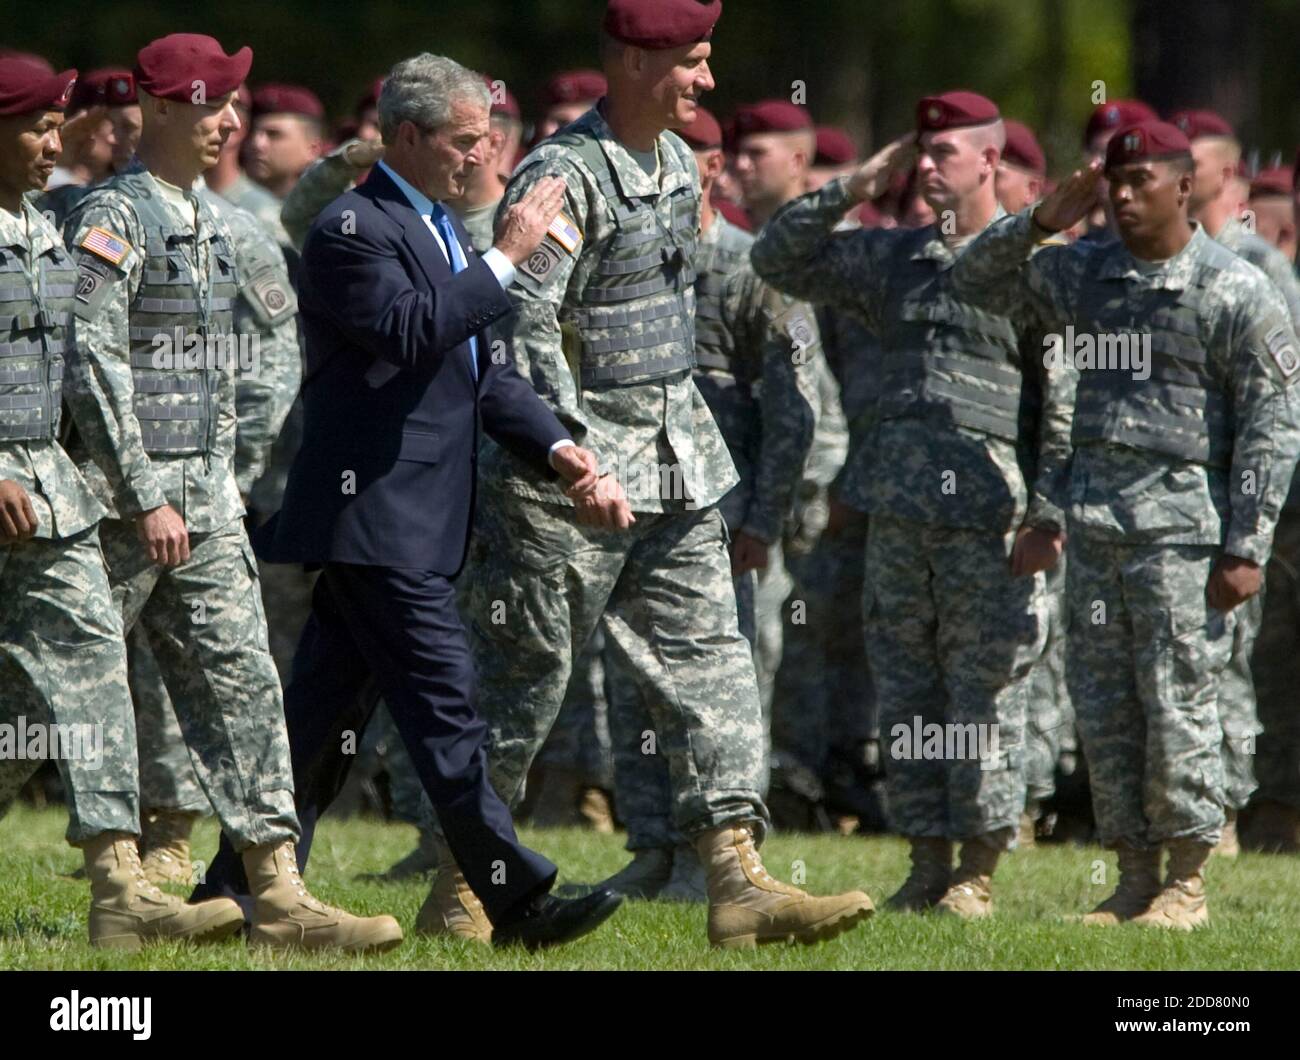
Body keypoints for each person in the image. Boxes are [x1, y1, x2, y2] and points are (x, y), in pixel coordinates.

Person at [424, 0, 874, 950]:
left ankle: (736, 878)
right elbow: (520, 327)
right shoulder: (563, 174)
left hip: (678, 469)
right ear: (632, 60)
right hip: (568, 483)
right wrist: (573, 453)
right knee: (525, 686)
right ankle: (468, 881)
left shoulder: (674, 165)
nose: (708, 81)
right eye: (693, 62)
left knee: (712, 664)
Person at [190, 52, 624, 950]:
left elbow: (482, 370)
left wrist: (557, 446)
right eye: (468, 140)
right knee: (448, 713)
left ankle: (231, 891)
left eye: (489, 136)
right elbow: (409, 329)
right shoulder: (354, 228)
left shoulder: (440, 229)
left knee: (316, 727)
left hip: (407, 525)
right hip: (377, 520)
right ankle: (519, 902)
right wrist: (508, 254)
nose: (484, 153)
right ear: (412, 137)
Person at [62, 32, 400, 952]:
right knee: (58, 694)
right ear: (155, 110)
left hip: (203, 505)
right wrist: (141, 490)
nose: (226, 122)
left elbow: (274, 352)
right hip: (111, 504)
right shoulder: (108, 219)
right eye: (207, 104)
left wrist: (228, 475)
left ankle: (278, 892)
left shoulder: (234, 227)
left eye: (233, 103)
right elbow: (87, 360)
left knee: (243, 682)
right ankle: (117, 885)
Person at [953, 120, 1300, 927]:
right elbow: (971, 282)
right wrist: (1040, 221)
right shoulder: (1083, 275)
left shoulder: (1233, 290)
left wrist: (1246, 544)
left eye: (1142, 180)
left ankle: (1186, 881)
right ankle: (1134, 876)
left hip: (1186, 541)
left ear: (1185, 187)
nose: (1122, 194)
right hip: (1098, 534)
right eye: (1114, 181)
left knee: (1178, 704)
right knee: (1108, 711)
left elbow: (1272, 426)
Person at [753, 91, 1056, 918]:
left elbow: (1061, 397)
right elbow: (777, 258)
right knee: (909, 694)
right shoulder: (893, 259)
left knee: (984, 693)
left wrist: (1049, 514)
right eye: (919, 153)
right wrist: (852, 185)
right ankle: (926, 859)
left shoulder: (1031, 263)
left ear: (991, 161)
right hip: (896, 514)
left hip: (989, 523)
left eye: (945, 152)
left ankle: (979, 871)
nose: (926, 166)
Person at [0, 55, 246, 950]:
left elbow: (69, 367)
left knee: (86, 680)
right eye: (35, 126)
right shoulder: (74, 222)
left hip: (50, 502)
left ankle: (118, 888)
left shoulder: (34, 229)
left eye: (57, 124)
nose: (55, 144)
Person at [597, 103, 818, 898]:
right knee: (633, 683)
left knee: (719, 689)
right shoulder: (621, 255)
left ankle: (721, 855)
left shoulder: (751, 269)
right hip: (629, 507)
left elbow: (796, 411)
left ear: (711, 169)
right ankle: (653, 845)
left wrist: (763, 521)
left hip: (721, 521)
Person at [1177, 107, 1300, 856]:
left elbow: (1282, 395)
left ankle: (1258, 808)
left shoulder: (1262, 268)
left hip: (1263, 499)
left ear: (1224, 175)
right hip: (1189, 500)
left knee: (1260, 657)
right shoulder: (1157, 261)